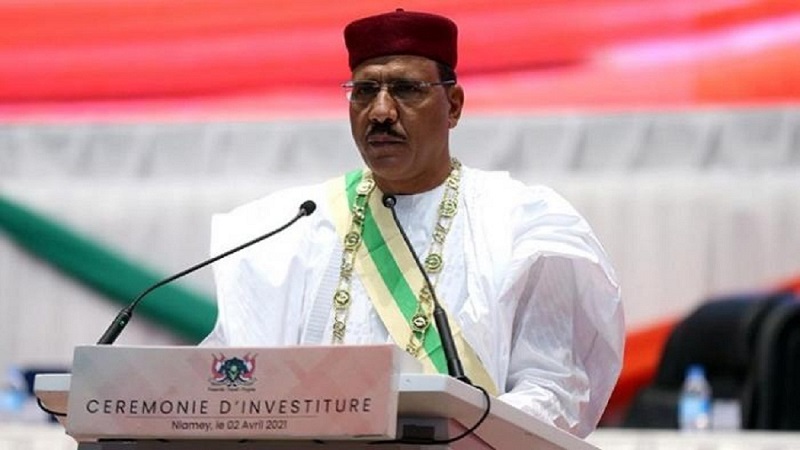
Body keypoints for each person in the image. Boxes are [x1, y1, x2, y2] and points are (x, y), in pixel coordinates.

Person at [201, 8, 624, 438]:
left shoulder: (522, 225)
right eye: (365, 91)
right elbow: (232, 389)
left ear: (453, 106)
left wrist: (455, 435)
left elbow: (555, 388)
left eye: (406, 89)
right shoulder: (294, 227)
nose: (381, 111)